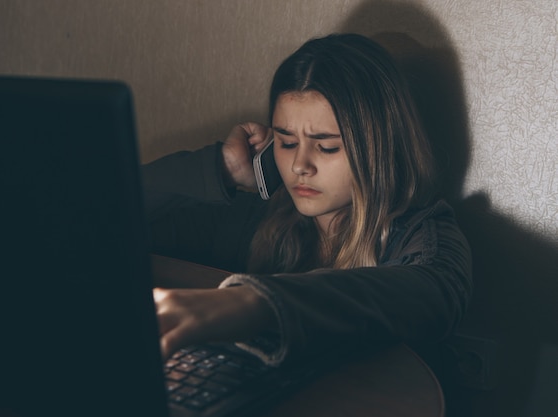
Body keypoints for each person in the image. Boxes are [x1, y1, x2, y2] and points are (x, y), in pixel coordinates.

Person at [144, 33, 472, 366]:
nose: (300, 166)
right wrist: (221, 169)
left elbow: (426, 295)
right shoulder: (260, 218)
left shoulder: (424, 238)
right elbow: (104, 216)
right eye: (286, 143)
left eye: (327, 146)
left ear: (379, 147)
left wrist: (254, 303)